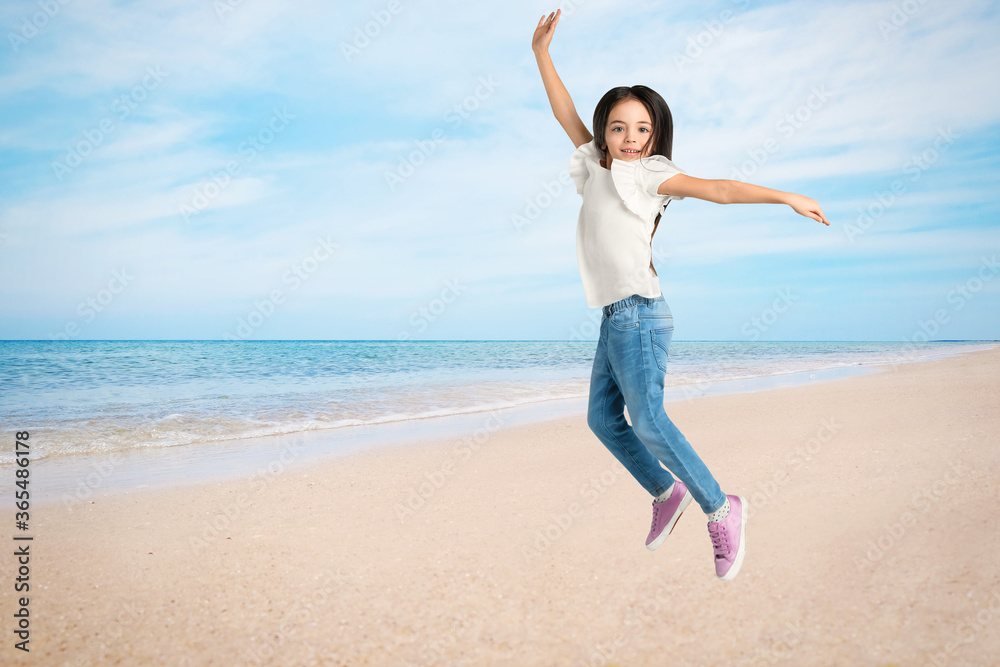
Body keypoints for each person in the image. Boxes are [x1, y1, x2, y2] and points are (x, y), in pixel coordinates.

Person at [531, 9, 829, 582]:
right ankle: (666, 492)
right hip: (613, 315)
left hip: (640, 315)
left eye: (642, 128)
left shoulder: (651, 174)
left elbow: (719, 189)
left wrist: (786, 196)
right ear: (605, 131)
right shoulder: (596, 165)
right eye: (619, 127)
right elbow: (565, 112)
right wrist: (542, 54)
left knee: (646, 417)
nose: (631, 138)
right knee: (602, 418)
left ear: (655, 135)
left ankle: (721, 508)